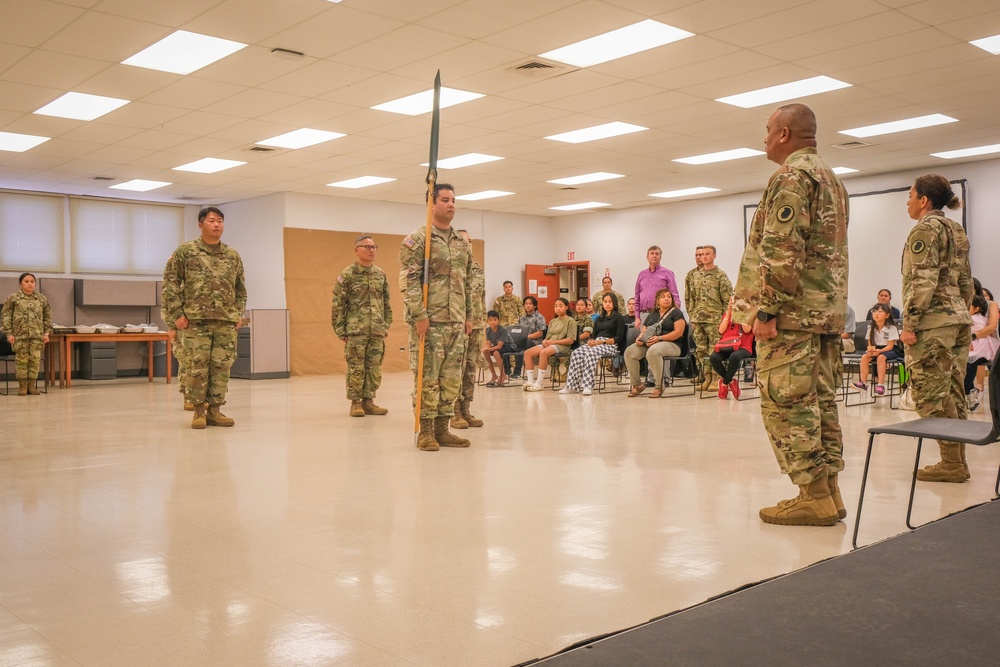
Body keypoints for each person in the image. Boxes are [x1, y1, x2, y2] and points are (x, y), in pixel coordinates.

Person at [732, 103, 849, 527]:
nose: (763, 138)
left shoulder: (791, 177)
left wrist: (766, 309)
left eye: (767, 130)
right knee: (819, 403)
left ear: (784, 134)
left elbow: (783, 250)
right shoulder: (831, 179)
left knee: (788, 405)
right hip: (821, 317)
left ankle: (812, 496)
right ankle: (829, 494)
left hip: (790, 318)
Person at [900, 174, 974, 482]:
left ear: (924, 201)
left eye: (910, 195)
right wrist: (961, 313)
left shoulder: (926, 229)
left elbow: (923, 280)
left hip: (932, 324)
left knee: (929, 394)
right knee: (953, 391)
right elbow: (967, 282)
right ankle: (957, 460)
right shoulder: (956, 229)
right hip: (957, 319)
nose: (907, 201)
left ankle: (951, 462)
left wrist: (910, 323)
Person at [399, 183, 474, 452]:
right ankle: (426, 432)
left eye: (454, 200)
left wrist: (468, 316)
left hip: (455, 321)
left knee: (452, 379)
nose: (451, 204)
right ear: (431, 204)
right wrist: (419, 315)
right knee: (427, 378)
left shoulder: (461, 241)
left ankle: (443, 430)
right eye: (445, 200)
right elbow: (410, 282)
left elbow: (467, 282)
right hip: (430, 322)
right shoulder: (419, 240)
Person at [162, 207, 247, 429]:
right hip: (195, 322)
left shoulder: (232, 255)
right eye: (211, 221)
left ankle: (215, 411)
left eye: (220, 221)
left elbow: (240, 289)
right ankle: (198, 411)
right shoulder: (185, 252)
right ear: (201, 225)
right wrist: (177, 315)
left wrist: (238, 313)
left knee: (221, 367)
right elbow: (170, 285)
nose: (217, 225)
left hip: (225, 322)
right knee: (196, 368)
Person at [331, 234, 392, 418]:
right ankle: (355, 403)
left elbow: (386, 303)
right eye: (366, 247)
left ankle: (369, 401)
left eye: (373, 247)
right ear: (356, 250)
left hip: (377, 330)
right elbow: (338, 304)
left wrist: (385, 325)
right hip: (356, 330)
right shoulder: (348, 275)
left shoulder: (380, 274)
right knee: (356, 367)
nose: (371, 250)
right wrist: (340, 329)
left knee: (374, 367)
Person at [685, 245, 733, 392]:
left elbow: (728, 301)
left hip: (715, 320)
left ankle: (716, 378)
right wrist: (692, 316)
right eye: (702, 254)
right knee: (701, 350)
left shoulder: (720, 275)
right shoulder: (695, 275)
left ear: (714, 256)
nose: (704, 257)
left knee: (715, 350)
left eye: (707, 254)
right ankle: (707, 377)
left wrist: (725, 319)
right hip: (698, 319)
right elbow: (691, 298)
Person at [452, 229, 486, 429]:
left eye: (471, 241)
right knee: (456, 369)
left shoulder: (477, 269)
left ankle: (466, 409)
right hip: (459, 324)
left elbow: (481, 297)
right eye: (465, 241)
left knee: (470, 369)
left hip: (477, 325)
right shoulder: (454, 268)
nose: (469, 244)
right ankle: (454, 412)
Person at [624, 289, 686, 398]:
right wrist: (640, 338)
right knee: (630, 352)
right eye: (663, 297)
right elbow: (645, 330)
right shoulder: (653, 314)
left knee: (653, 351)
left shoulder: (676, 312)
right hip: (651, 343)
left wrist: (660, 338)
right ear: (657, 300)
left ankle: (659, 386)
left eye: (669, 297)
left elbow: (679, 332)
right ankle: (637, 384)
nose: (666, 299)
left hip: (672, 344)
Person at [560, 294, 626, 396]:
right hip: (597, 342)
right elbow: (594, 335)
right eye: (605, 302)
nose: (607, 304)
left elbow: (619, 337)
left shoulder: (619, 317)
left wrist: (602, 342)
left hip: (610, 344)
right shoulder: (600, 318)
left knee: (591, 353)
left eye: (610, 302)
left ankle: (588, 386)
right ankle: (571, 386)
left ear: (614, 303)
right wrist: (591, 341)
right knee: (576, 353)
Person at [2, 272, 51, 396]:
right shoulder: (13, 298)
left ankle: (32, 386)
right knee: (22, 361)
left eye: (32, 281)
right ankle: (22, 386)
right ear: (20, 283)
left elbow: (47, 316)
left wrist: (46, 333)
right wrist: (9, 334)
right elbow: (6, 316)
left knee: (35, 361)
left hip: (37, 336)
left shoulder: (41, 299)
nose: (30, 284)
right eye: (26, 281)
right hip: (20, 336)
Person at [523, 297, 577, 392]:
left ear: (566, 307)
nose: (558, 308)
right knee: (528, 353)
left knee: (544, 352)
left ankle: (539, 383)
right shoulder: (553, 321)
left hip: (563, 346)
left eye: (561, 306)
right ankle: (530, 381)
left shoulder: (570, 321)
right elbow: (548, 337)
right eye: (556, 306)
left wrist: (553, 342)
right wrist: (545, 341)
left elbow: (570, 340)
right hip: (550, 344)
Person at [710, 296, 754, 400]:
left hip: (743, 346)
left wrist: (740, 313)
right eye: (732, 301)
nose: (733, 303)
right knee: (714, 357)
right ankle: (730, 381)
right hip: (726, 345)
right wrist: (729, 312)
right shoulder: (727, 314)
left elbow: (747, 330)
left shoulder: (748, 313)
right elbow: (721, 331)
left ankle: (724, 384)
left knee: (734, 357)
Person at [851, 303, 901, 397]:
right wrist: (870, 351)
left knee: (881, 358)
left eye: (880, 311)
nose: (876, 314)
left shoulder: (892, 328)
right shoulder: (871, 328)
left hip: (890, 350)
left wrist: (879, 352)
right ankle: (863, 383)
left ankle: (880, 385)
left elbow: (890, 346)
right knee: (865, 357)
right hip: (876, 349)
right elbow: (870, 343)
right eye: (874, 311)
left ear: (887, 315)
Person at [634, 245, 681, 327]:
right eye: (652, 253)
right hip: (644, 314)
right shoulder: (642, 274)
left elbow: (674, 294)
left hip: (661, 314)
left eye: (657, 254)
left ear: (660, 257)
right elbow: (637, 296)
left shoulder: (667, 273)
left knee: (659, 338)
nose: (654, 255)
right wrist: (637, 316)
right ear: (647, 257)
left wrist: (676, 314)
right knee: (644, 338)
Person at [965, 295, 998, 411]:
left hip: (982, 347)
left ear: (976, 309)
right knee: (968, 367)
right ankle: (970, 392)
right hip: (972, 347)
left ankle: (971, 392)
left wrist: (968, 337)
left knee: (971, 363)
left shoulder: (976, 320)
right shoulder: (970, 318)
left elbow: (990, 328)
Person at [511, 295, 546, 379]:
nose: (528, 305)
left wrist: (527, 337)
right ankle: (508, 371)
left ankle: (517, 372)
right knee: (512, 345)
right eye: (526, 304)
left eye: (530, 304)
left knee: (519, 346)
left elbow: (540, 333)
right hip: (523, 341)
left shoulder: (539, 317)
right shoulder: (522, 318)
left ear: (535, 306)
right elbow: (519, 331)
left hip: (536, 342)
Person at [482, 310, 516, 387]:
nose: (492, 322)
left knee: (496, 353)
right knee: (486, 352)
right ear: (487, 321)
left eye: (495, 319)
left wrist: (488, 349)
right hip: (498, 346)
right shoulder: (487, 330)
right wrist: (486, 349)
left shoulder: (502, 330)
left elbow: (499, 346)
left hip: (509, 346)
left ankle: (503, 375)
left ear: (498, 321)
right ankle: (494, 375)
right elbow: (488, 344)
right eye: (490, 320)